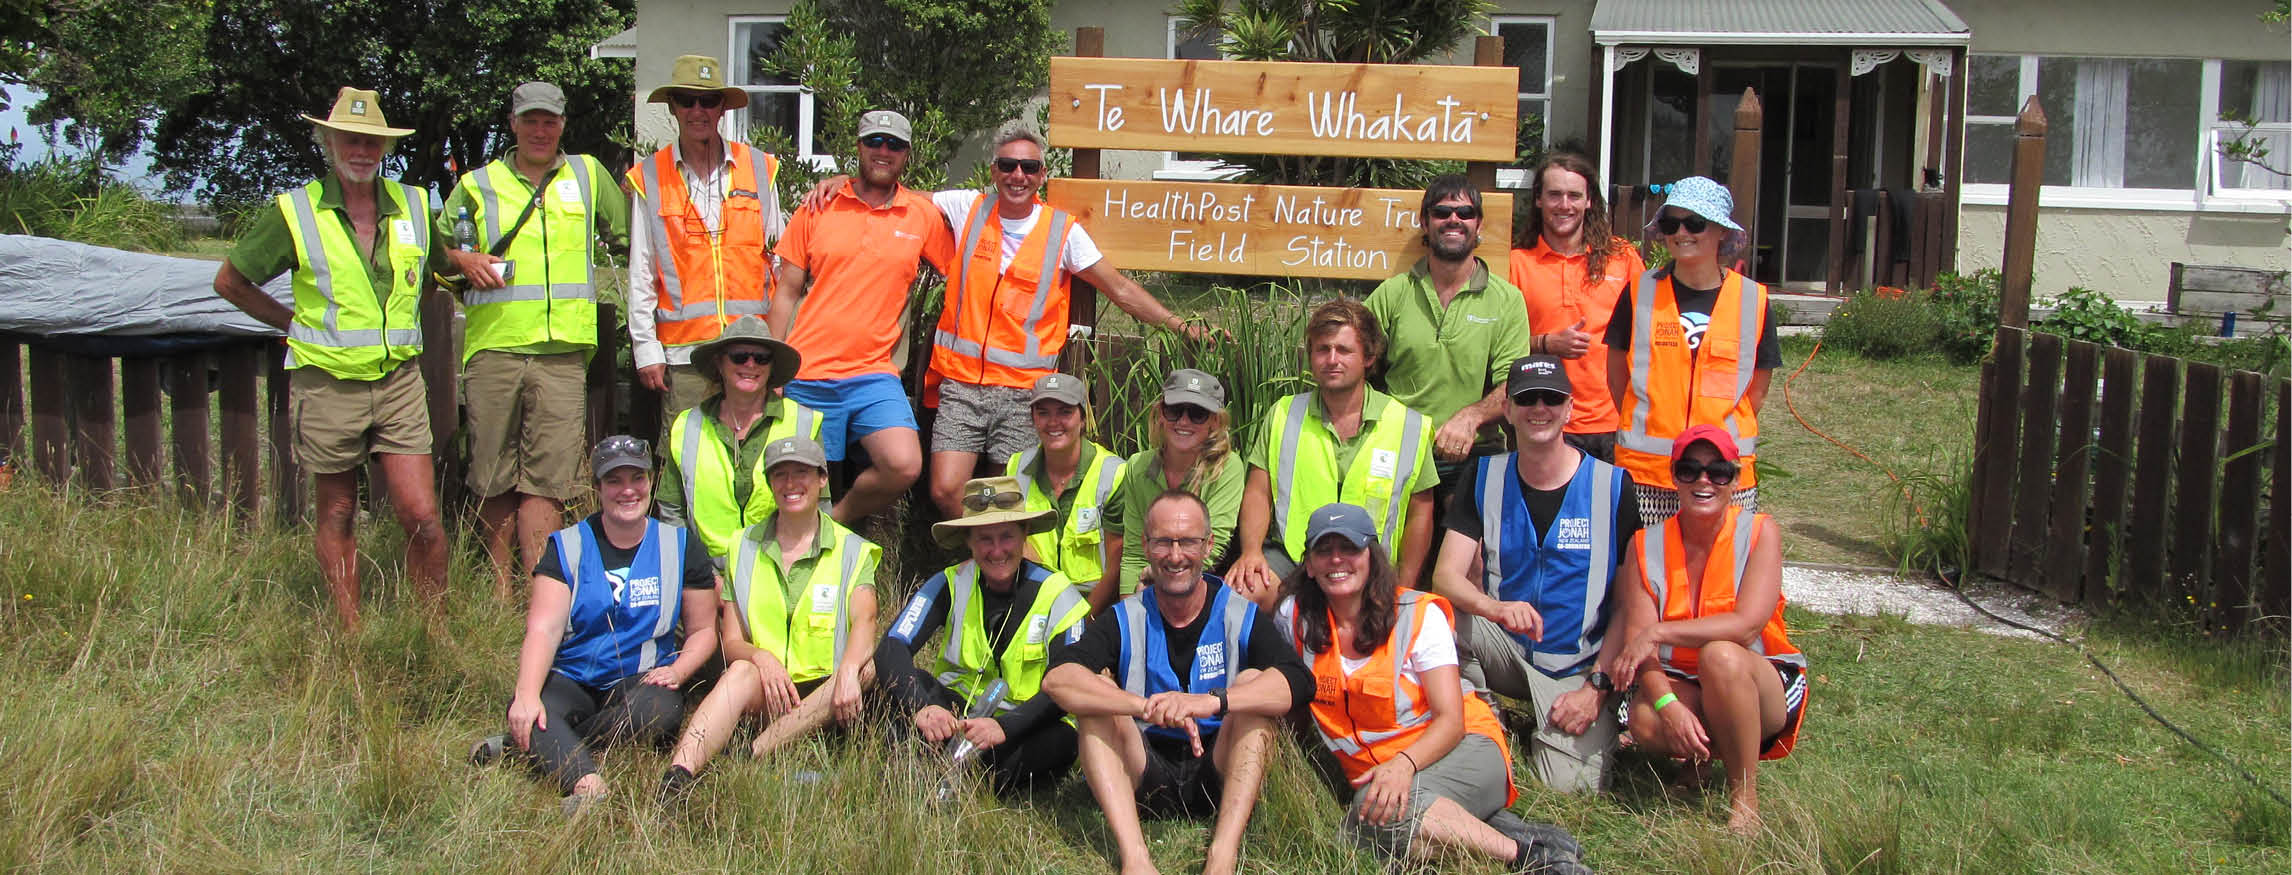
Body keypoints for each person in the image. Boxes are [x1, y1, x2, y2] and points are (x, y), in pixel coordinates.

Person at [803, 122, 1206, 520]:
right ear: (994, 170)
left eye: (1029, 168)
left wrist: (1182, 327)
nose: (1018, 176)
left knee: (1005, 499)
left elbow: (1119, 289)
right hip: (960, 387)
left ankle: (996, 570)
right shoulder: (968, 208)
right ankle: (989, 557)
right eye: (1008, 166)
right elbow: (897, 194)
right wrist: (845, 184)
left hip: (1023, 393)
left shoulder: (1062, 232)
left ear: (1042, 176)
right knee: (946, 490)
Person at [209, 86, 448, 630]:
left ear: (384, 147)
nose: (360, 149)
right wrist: (290, 324)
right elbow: (231, 281)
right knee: (338, 512)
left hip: (398, 381)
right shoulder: (295, 212)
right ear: (328, 141)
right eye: (349, 138)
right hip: (327, 383)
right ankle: (351, 632)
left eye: (370, 140)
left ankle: (433, 632)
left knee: (422, 518)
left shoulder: (412, 203)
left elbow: (434, 274)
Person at [1251, 503, 1588, 873]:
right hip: (1383, 774)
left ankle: (1526, 858)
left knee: (1366, 820)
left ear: (1371, 556)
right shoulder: (1293, 617)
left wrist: (1404, 765)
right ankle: (1514, 835)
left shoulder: (1418, 615)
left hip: (1464, 747)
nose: (1337, 560)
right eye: (1323, 550)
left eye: (1349, 548)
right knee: (1374, 823)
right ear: (1309, 566)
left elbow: (1451, 721)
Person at [1041, 489, 1315, 875]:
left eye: (1187, 542)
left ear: (1208, 546)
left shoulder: (1238, 612)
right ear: (1146, 546)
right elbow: (1058, 680)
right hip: (1145, 770)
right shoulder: (1125, 617)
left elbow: (1300, 682)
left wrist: (1212, 702)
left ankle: (1222, 855)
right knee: (1097, 705)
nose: (1175, 555)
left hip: (1219, 771)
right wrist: (1142, 706)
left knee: (1254, 686)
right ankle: (1135, 858)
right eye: (1163, 541)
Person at [441, 81, 631, 598]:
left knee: (547, 480)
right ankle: (500, 591)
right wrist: (463, 259)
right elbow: (436, 251)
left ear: (563, 125)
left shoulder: (588, 175)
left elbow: (632, 232)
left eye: (550, 121)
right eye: (531, 121)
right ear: (513, 125)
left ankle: (536, 592)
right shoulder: (477, 185)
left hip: (563, 355)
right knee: (492, 474)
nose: (541, 130)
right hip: (495, 348)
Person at [473, 435, 718, 812]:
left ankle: (528, 746)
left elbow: (703, 631)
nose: (627, 490)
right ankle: (587, 785)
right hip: (573, 676)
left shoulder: (680, 544)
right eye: (614, 481)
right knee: (533, 705)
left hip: (640, 679)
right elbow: (543, 628)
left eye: (636, 479)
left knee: (661, 711)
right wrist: (525, 693)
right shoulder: (566, 545)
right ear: (598, 487)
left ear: (649, 483)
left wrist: (679, 671)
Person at [1431, 355, 1640, 794]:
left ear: (1570, 409)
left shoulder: (1614, 487)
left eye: (1551, 398)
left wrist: (1596, 689)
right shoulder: (1484, 475)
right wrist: (1495, 607)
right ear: (1506, 410)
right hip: (1506, 647)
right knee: (1436, 619)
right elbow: (1446, 577)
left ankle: (1591, 722)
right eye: (1527, 399)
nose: (1539, 408)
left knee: (1567, 788)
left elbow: (1628, 606)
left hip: (1577, 665)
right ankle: (1486, 716)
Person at [1604, 425, 1806, 834]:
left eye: (1718, 472)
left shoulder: (1760, 533)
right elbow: (1638, 648)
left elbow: (1746, 623)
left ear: (1734, 480)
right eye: (1690, 470)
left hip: (1757, 678)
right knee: (1646, 721)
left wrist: (1660, 633)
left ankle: (1744, 798)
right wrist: (1669, 708)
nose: (1703, 481)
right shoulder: (1644, 545)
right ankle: (1699, 758)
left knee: (1720, 655)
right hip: (1684, 681)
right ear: (1674, 476)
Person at [658, 436, 879, 799]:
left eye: (801, 473)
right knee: (740, 671)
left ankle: (752, 752)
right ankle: (677, 776)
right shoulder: (741, 546)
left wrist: (850, 671)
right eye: (781, 475)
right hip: (769, 689)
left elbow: (866, 623)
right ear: (770, 483)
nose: (791, 484)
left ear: (822, 478)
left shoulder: (852, 549)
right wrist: (762, 658)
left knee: (863, 667)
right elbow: (730, 642)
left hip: (828, 695)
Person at [768, 110, 956, 525]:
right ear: (859, 147)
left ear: (907, 154)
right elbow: (785, 291)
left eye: (894, 145)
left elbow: (964, 267)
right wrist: (773, 370)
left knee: (904, 463)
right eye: (875, 142)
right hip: (805, 373)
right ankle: (799, 552)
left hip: (873, 375)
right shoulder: (820, 206)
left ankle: (834, 523)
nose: (883, 151)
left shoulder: (920, 215)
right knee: (792, 477)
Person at [878, 476, 1092, 794]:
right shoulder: (950, 582)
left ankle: (954, 772)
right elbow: (892, 646)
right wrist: (923, 707)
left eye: (1006, 537)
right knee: (904, 688)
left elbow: (1070, 686)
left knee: (1062, 740)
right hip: (956, 715)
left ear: (1024, 536)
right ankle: (941, 765)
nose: (996, 551)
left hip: (1024, 723)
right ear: (968, 541)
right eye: (984, 539)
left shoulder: (1060, 595)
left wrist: (1003, 727)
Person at [1229, 299, 1437, 599]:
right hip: (1293, 560)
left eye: (1344, 350)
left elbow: (1421, 513)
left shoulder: (1409, 426)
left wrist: (1404, 584)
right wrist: (1250, 552)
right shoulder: (1283, 414)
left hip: (1370, 564)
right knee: (1238, 595)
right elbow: (1258, 492)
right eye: (1322, 349)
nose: (1332, 359)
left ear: (1368, 356)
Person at [1604, 175, 1780, 523]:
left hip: (1722, 475)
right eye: (1672, 223)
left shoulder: (1752, 300)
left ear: (1721, 231)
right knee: (1644, 572)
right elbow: (1616, 374)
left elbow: (1756, 388)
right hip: (1646, 475)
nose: (1681, 233)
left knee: (1721, 574)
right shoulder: (1639, 291)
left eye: (1694, 223)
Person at [1364, 174, 1533, 527]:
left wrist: (1470, 417)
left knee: (1471, 558)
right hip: (1400, 445)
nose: (1453, 219)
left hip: (1476, 448)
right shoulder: (1392, 293)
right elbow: (1355, 365)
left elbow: (1513, 383)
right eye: (1442, 211)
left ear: (1479, 223)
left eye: (1465, 212)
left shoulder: (1506, 300)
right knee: (1382, 556)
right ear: (1425, 222)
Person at [627, 54, 786, 421]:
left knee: (754, 457)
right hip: (685, 356)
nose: (697, 109)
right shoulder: (649, 177)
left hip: (753, 353)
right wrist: (646, 348)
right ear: (673, 107)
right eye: (686, 99)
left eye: (708, 100)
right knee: (688, 461)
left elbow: (781, 264)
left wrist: (780, 346)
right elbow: (641, 273)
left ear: (722, 108)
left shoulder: (760, 168)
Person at [1508, 152, 1646, 463]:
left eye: (1574, 195)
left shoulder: (1622, 259)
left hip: (1616, 422)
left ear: (1589, 202)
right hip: (1544, 419)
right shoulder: (1517, 263)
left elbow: (1649, 335)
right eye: (1554, 195)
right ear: (1539, 200)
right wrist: (1545, 343)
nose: (1564, 205)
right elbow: (1496, 343)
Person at [654, 316, 822, 565]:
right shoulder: (686, 425)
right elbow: (671, 512)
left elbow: (820, 509)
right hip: (705, 572)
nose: (751, 364)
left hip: (780, 568)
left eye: (761, 358)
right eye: (739, 356)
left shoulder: (805, 422)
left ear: (771, 367)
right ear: (719, 363)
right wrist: (696, 575)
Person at [1098, 369, 1246, 613]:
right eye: (1175, 410)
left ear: (1214, 422)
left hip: (1202, 579)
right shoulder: (1137, 467)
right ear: (1161, 414)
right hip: (1148, 582)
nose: (1184, 422)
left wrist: (1154, 576)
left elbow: (1212, 548)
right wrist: (1131, 612)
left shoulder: (1227, 468)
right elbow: (1134, 551)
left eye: (1198, 414)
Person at [1006, 373, 1125, 588]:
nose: (1053, 422)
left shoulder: (1114, 473)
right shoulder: (1016, 467)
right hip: (1035, 596)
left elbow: (1118, 567)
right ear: (1033, 418)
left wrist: (1086, 620)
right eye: (1043, 413)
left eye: (1065, 412)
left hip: (1094, 603)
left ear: (1082, 418)